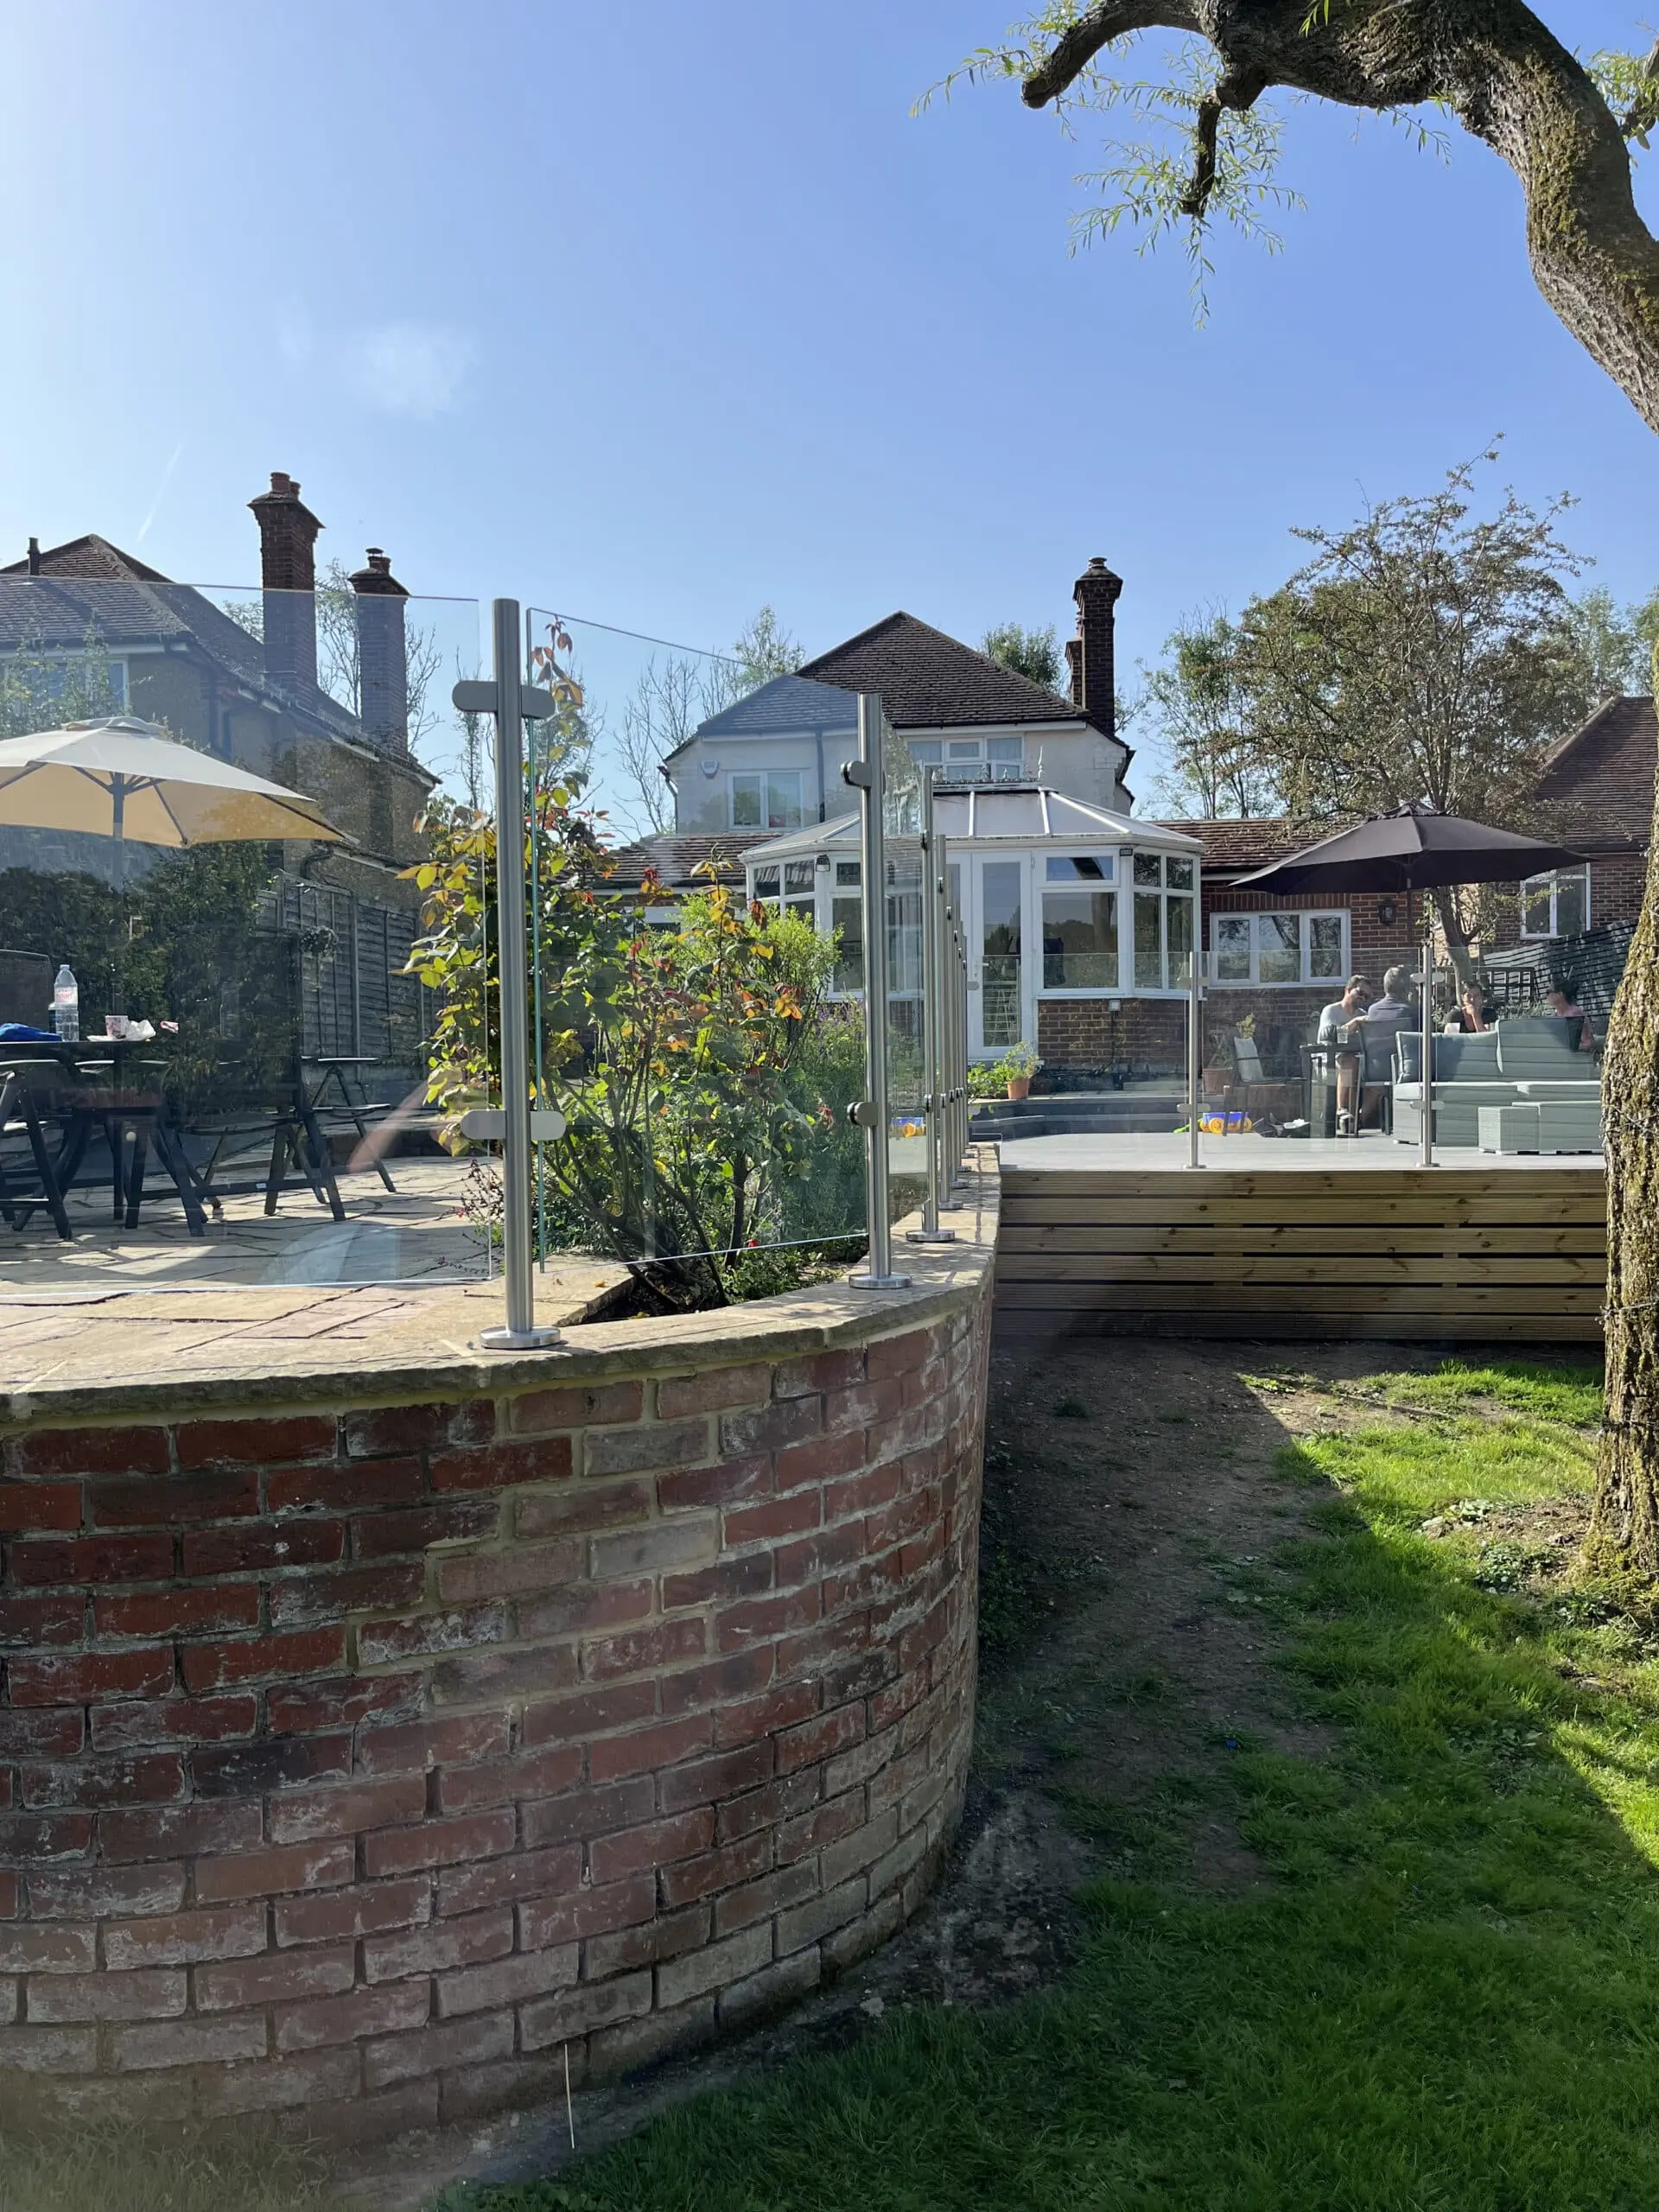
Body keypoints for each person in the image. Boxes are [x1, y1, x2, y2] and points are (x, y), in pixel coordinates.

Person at [1316, 974, 1370, 1132]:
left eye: (1366, 996)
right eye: (1360, 993)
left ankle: (1355, 1119)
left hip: (1354, 1061)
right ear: (1348, 989)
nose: (1363, 998)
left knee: (1355, 1062)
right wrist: (1354, 1024)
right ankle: (1343, 1110)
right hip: (1328, 1061)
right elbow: (1332, 1036)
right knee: (1349, 1061)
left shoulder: (1361, 1013)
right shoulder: (1331, 1011)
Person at [1546, 979, 1596, 1052]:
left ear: (1560, 994)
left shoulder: (1574, 1014)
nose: (1546, 995)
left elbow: (1589, 1043)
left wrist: (1567, 1048)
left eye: (1548, 992)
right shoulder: (1556, 1014)